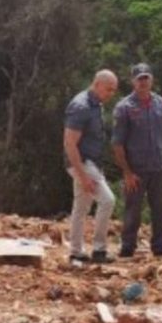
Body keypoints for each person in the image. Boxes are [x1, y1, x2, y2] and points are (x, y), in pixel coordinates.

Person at [112, 63, 162, 258]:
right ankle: (127, 247)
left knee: (160, 210)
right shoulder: (124, 107)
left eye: (146, 78)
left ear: (152, 80)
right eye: (139, 78)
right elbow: (117, 144)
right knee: (133, 210)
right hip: (136, 169)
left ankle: (159, 247)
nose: (143, 81)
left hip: (160, 167)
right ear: (133, 81)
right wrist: (126, 172)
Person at [64, 70, 119, 264]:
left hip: (90, 163)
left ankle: (76, 252)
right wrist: (83, 175)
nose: (111, 94)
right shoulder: (81, 106)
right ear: (96, 84)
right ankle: (99, 250)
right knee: (107, 200)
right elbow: (69, 143)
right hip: (82, 163)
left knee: (80, 207)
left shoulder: (96, 104)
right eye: (108, 89)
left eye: (113, 90)